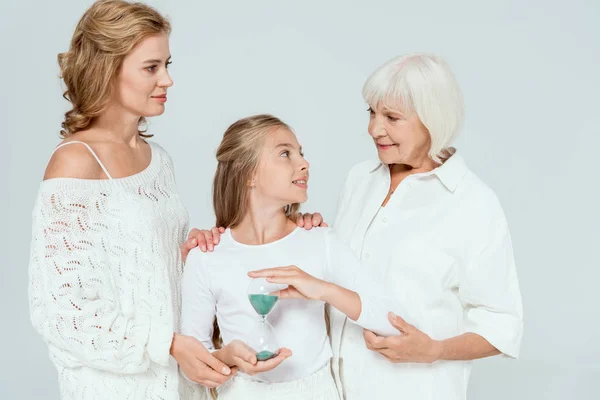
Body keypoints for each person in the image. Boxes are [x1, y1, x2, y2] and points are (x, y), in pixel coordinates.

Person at [191, 53, 524, 399]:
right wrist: (291, 227)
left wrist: (434, 350)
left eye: (392, 117)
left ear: (432, 121)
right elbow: (333, 266)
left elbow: (503, 325)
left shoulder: (471, 203)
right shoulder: (361, 179)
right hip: (332, 388)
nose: (374, 129)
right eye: (372, 112)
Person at [28, 2, 233, 399]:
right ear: (107, 69)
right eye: (151, 67)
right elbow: (64, 314)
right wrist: (168, 345)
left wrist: (189, 259)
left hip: (179, 385)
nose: (168, 80)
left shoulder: (158, 160)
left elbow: (144, 274)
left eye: (167, 64)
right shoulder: (75, 163)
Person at [181, 115, 400, 400]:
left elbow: (390, 319)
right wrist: (228, 356)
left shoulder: (319, 240)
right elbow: (193, 360)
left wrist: (322, 288)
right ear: (249, 174)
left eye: (301, 153)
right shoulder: (207, 255)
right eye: (285, 153)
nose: (303, 163)